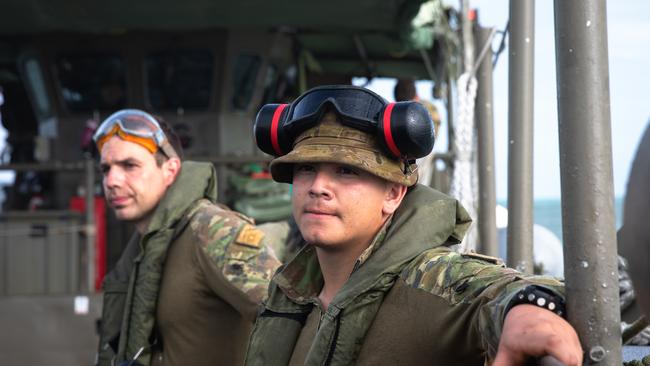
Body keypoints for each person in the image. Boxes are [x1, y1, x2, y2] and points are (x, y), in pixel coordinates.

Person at [245, 85, 583, 365]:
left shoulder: (428, 280)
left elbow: (495, 289)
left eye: (346, 171)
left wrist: (527, 308)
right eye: (306, 169)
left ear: (393, 194)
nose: (317, 186)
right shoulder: (291, 289)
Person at [93, 109, 281, 366]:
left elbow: (291, 318)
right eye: (106, 169)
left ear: (170, 170)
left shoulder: (213, 230)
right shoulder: (145, 246)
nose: (111, 180)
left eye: (130, 166)